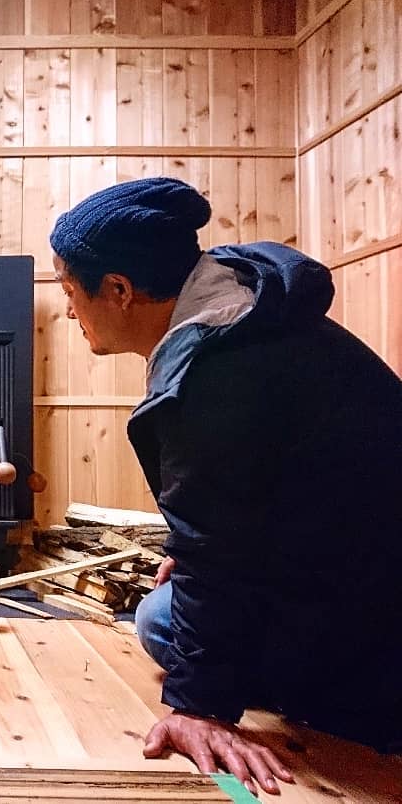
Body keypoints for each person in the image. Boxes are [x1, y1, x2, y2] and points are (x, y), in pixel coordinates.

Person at [48, 177, 402, 796]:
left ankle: (350, 708)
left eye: (69, 289)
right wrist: (186, 553)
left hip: (369, 624)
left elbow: (220, 552)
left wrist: (199, 710)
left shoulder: (214, 374)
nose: (67, 309)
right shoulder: (247, 319)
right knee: (176, 606)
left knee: (159, 620)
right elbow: (256, 499)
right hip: (356, 575)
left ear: (120, 290)